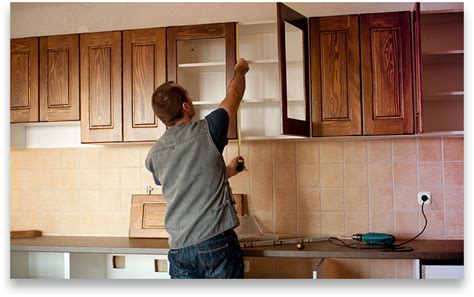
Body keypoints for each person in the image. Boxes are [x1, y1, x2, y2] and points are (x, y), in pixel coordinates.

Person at [145, 58, 249, 279]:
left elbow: (186, 180)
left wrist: (227, 171)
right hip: (215, 243)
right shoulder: (208, 131)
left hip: (180, 251)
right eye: (187, 94)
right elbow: (234, 96)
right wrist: (240, 70)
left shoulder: (154, 156)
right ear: (185, 106)